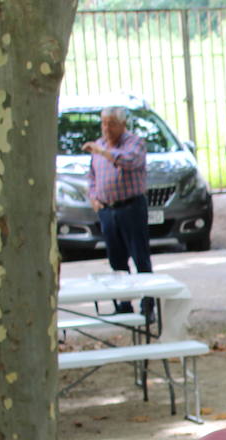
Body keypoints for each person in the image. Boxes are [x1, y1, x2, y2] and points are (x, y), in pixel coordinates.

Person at [84, 105, 152, 314]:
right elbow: (92, 176)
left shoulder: (134, 143)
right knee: (117, 261)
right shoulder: (99, 146)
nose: (106, 128)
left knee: (140, 257)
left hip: (131, 208)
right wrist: (94, 198)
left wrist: (103, 152)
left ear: (122, 124)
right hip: (107, 211)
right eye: (104, 123)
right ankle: (124, 305)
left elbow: (130, 161)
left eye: (111, 123)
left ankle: (148, 304)